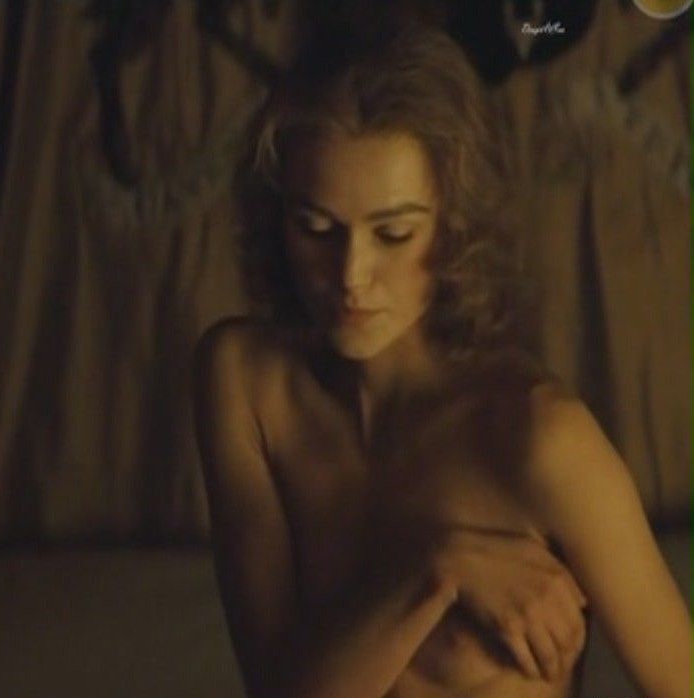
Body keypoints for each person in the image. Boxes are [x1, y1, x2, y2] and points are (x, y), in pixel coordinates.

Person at [193, 24, 691, 698]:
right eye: (316, 227)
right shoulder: (244, 383)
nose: (351, 275)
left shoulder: (540, 440)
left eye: (394, 233)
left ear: (454, 223)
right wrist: (439, 568)